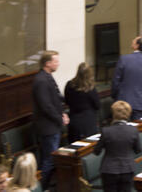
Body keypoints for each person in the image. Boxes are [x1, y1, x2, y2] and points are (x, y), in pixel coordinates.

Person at [32, 51, 68, 186]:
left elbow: (56, 98)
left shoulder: (48, 77)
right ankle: (43, 187)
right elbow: (46, 106)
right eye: (56, 61)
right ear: (48, 64)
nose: (58, 64)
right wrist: (60, 118)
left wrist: (63, 112)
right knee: (49, 160)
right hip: (48, 127)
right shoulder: (41, 80)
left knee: (50, 159)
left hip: (53, 125)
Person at [111, 36, 142, 119]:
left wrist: (114, 96)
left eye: (133, 42)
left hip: (123, 103)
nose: (132, 43)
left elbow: (115, 81)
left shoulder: (124, 59)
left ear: (136, 46)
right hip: (140, 103)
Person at [64, 62, 100, 141]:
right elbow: (97, 105)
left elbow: (66, 101)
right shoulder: (90, 88)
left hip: (74, 119)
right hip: (88, 121)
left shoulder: (69, 85)